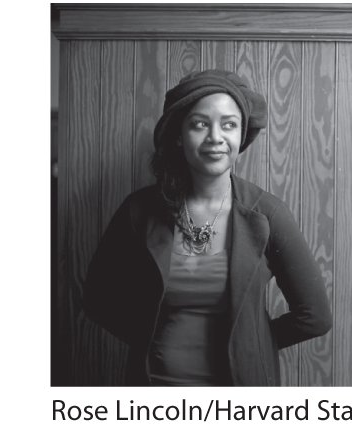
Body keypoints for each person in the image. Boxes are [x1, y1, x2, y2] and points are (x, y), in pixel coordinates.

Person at [83, 69, 332, 386]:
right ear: (179, 134)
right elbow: (97, 299)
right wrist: (148, 336)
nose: (216, 136)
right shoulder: (139, 210)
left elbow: (315, 317)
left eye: (229, 124)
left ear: (241, 136)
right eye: (200, 124)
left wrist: (247, 343)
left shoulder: (268, 214)